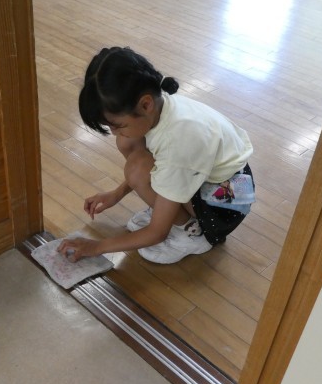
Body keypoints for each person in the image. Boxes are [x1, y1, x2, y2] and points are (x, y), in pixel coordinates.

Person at [58, 46, 254, 264]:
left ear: (145, 104)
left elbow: (157, 233)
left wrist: (96, 247)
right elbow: (164, 165)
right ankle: (171, 211)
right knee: (128, 141)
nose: (113, 132)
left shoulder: (179, 141)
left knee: (138, 169)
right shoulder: (161, 105)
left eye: (118, 125)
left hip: (226, 205)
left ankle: (193, 233)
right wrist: (117, 194)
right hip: (218, 179)